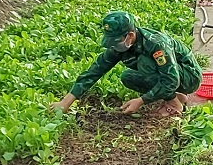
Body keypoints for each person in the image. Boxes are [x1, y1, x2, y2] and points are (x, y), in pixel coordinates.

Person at [51, 11, 202, 117]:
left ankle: (174, 104)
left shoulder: (155, 44)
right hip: (172, 77)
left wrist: (141, 101)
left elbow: (171, 80)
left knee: (145, 63)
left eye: (116, 41)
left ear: (130, 35)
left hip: (189, 76)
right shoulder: (120, 47)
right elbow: (94, 71)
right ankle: (177, 96)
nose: (114, 45)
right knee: (128, 77)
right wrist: (65, 102)